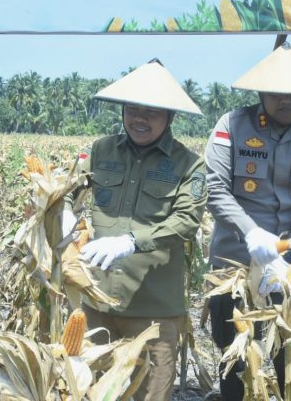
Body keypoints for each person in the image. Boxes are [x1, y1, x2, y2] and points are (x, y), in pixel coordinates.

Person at [62, 59, 207, 401]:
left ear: (170, 116)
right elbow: (67, 189)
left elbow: (186, 221)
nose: (139, 118)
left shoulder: (189, 165)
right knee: (90, 392)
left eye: (151, 112)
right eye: (133, 109)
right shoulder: (101, 150)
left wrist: (131, 242)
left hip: (153, 311)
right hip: (95, 305)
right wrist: (65, 212)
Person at [204, 42, 291, 400]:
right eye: (278, 92)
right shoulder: (231, 126)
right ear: (260, 91)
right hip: (234, 264)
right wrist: (251, 234)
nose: (286, 101)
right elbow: (216, 190)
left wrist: (290, 253)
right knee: (233, 360)